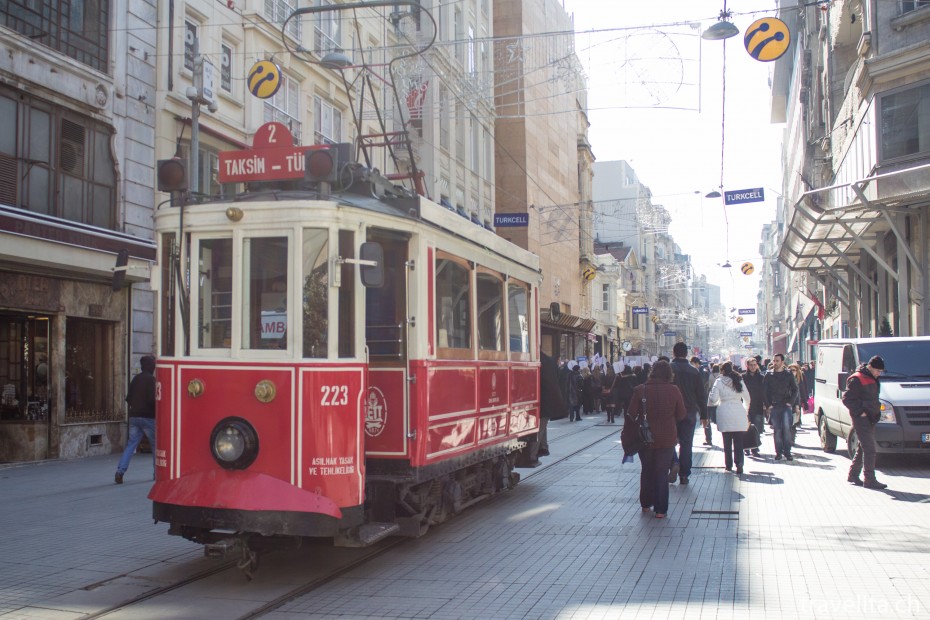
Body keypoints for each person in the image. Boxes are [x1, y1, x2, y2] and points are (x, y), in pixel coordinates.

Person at [625, 360, 686, 519]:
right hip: (667, 438)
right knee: (661, 472)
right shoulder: (674, 390)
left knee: (647, 470)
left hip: (645, 437)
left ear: (652, 373)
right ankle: (660, 510)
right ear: (669, 374)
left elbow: (631, 414)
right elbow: (681, 415)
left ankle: (646, 504)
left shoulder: (640, 390)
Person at [842, 356, 888, 489]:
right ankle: (869, 479)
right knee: (870, 449)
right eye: (878, 371)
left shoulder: (871, 378)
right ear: (870, 367)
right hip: (861, 419)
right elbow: (847, 399)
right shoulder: (857, 378)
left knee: (863, 448)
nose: (879, 374)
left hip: (870, 418)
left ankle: (853, 474)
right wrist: (860, 412)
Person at [669, 342, 708, 485]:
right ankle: (684, 475)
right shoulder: (694, 371)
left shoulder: (669, 369)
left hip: (671, 412)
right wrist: (704, 415)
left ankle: (674, 462)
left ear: (673, 353)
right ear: (687, 354)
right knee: (686, 444)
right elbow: (701, 395)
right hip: (689, 412)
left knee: (668, 442)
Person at [115, 355, 157, 484]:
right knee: (156, 445)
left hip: (134, 416)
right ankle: (157, 473)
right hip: (148, 417)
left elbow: (128, 398)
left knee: (131, 445)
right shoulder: (152, 380)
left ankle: (120, 471)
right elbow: (153, 400)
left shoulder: (136, 379)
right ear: (152, 367)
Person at [708, 362, 750, 474]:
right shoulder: (738, 380)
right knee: (739, 442)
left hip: (724, 412)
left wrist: (718, 402)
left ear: (722, 370)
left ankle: (728, 465)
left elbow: (713, 399)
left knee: (726, 442)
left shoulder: (719, 381)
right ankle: (739, 464)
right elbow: (747, 398)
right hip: (738, 412)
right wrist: (745, 410)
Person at [763, 353, 798, 462]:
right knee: (777, 430)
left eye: (777, 361)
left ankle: (787, 452)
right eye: (774, 360)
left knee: (787, 428)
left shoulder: (788, 374)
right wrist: (768, 405)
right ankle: (778, 452)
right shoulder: (769, 375)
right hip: (774, 406)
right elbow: (764, 391)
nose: (775, 363)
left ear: (782, 362)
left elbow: (795, 389)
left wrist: (791, 402)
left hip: (785, 405)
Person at [742, 357, 765, 456]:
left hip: (758, 406)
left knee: (756, 428)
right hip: (746, 406)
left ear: (757, 365)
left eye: (754, 365)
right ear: (747, 366)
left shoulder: (761, 377)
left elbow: (765, 392)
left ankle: (754, 448)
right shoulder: (742, 377)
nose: (752, 367)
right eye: (750, 365)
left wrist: (766, 404)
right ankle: (746, 447)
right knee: (746, 427)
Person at [788, 363, 808, 441]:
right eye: (790, 370)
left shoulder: (800, 379)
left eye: (793, 370)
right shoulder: (786, 378)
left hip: (797, 403)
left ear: (797, 371)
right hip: (787, 403)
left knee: (794, 422)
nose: (792, 372)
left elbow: (803, 391)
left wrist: (805, 403)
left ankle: (792, 438)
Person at [702, 363, 720, 446]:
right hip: (719, 402)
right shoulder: (722, 377)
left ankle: (708, 439)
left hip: (709, 402)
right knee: (720, 420)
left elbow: (708, 387)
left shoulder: (710, 376)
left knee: (707, 420)